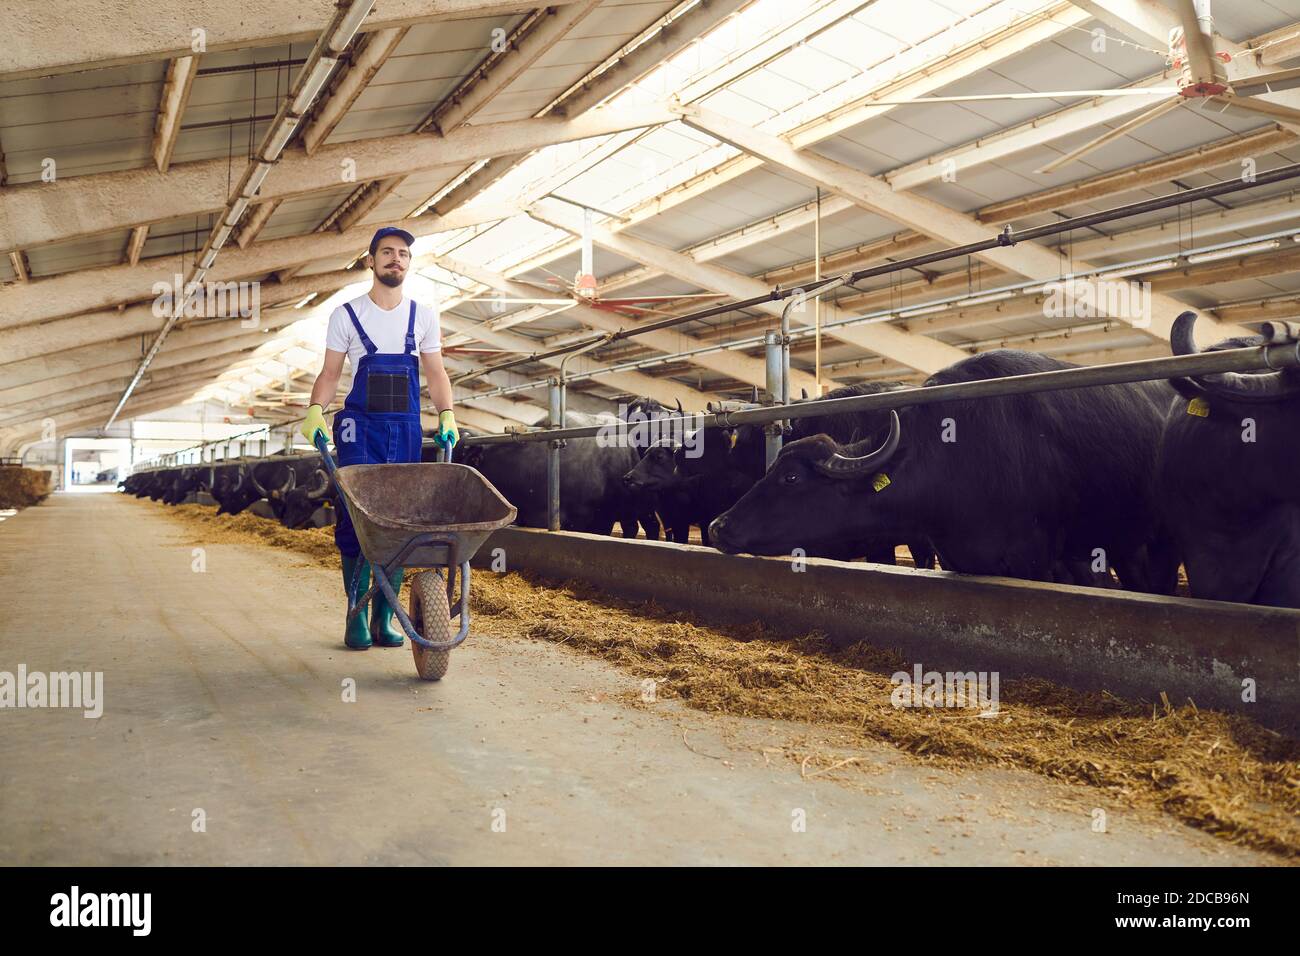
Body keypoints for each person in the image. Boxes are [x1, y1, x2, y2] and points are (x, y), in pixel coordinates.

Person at [300, 226, 459, 650]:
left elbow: (436, 372)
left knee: (398, 520)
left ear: (409, 263)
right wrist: (316, 409)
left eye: (404, 253)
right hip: (358, 427)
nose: (396, 259)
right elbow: (331, 374)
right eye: (386, 252)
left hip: (404, 425)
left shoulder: (422, 315)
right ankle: (355, 614)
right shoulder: (346, 314)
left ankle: (382, 617)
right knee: (356, 519)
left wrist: (447, 413)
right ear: (370, 261)